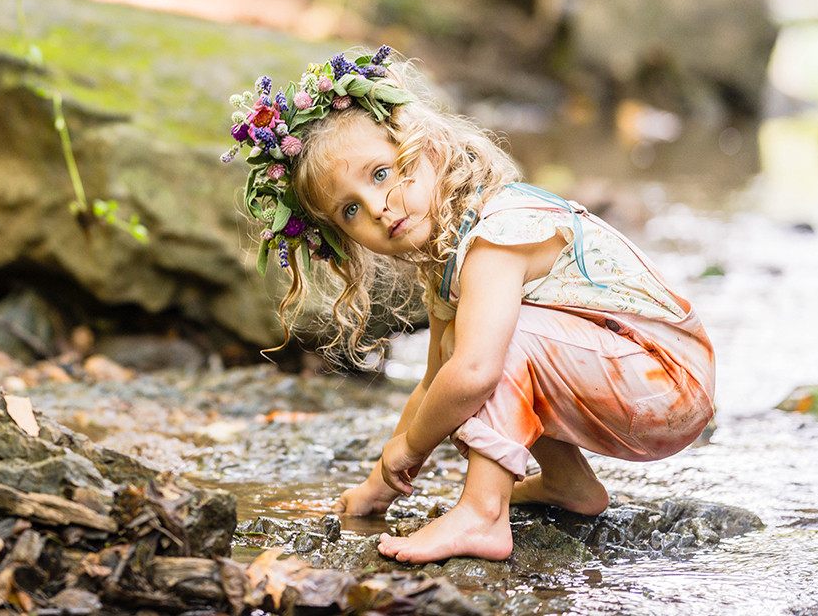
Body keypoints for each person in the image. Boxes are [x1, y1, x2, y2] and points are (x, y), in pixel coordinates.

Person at [223, 46, 715, 563]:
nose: (377, 208)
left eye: (382, 174)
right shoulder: (450, 263)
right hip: (637, 378)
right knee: (468, 349)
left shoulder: (498, 234)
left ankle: (483, 513)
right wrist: (378, 486)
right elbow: (434, 380)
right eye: (350, 210)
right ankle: (569, 484)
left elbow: (475, 374)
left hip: (668, 379)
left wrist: (409, 449)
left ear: (426, 147)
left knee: (483, 353)